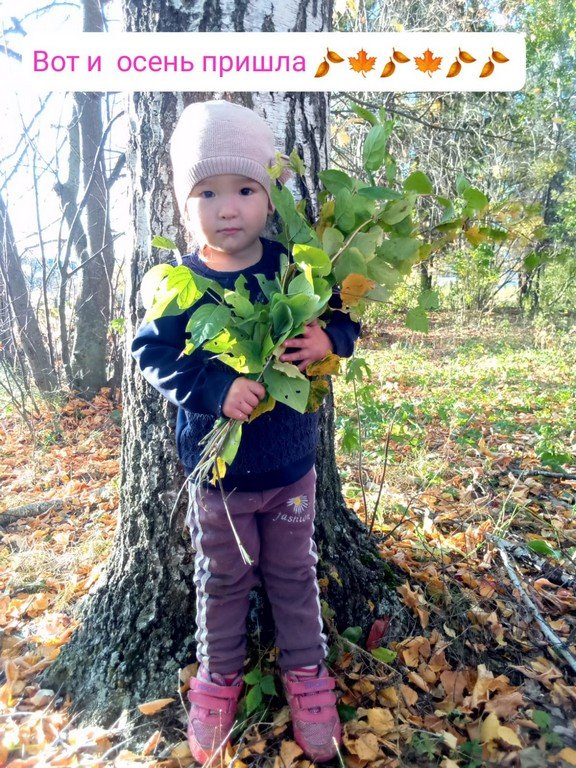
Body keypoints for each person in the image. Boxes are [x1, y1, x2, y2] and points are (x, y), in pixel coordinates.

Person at [131, 100, 360, 765]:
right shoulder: (182, 284)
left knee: (293, 574)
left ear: (269, 197)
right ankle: (218, 681)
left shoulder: (293, 269)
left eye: (244, 189)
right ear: (184, 203)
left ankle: (309, 682)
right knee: (223, 580)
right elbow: (152, 355)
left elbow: (343, 321)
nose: (226, 208)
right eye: (207, 192)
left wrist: (328, 338)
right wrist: (213, 390)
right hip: (220, 479)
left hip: (291, 469)